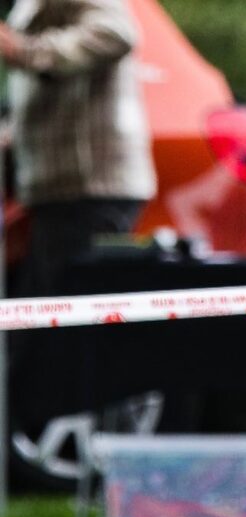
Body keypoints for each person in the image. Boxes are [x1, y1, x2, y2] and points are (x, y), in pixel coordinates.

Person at [0, 0, 155, 298]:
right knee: (43, 318)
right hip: (55, 192)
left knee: (67, 320)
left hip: (90, 189)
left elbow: (117, 32)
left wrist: (25, 51)